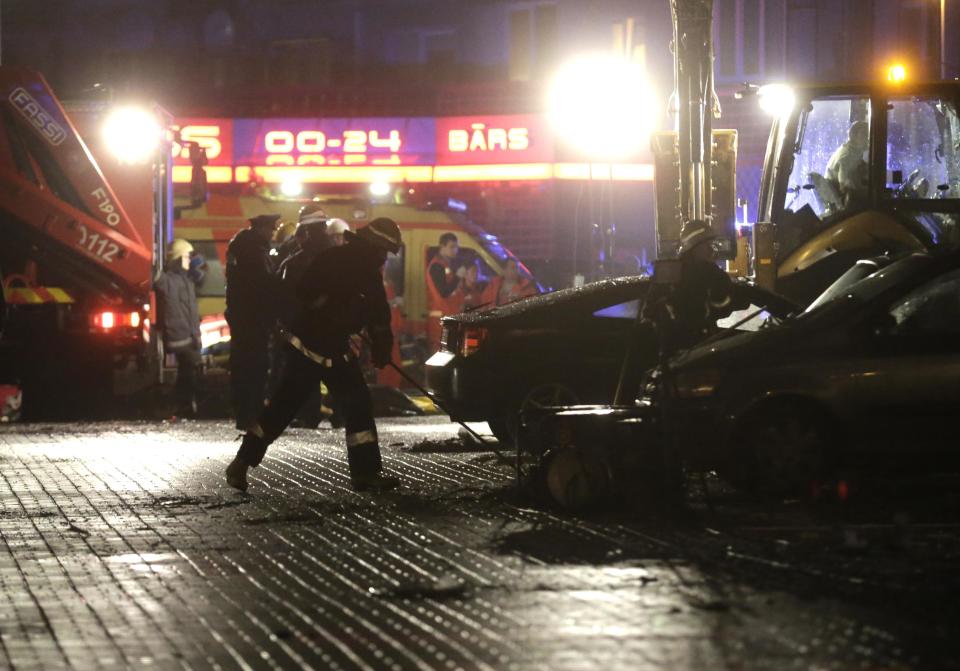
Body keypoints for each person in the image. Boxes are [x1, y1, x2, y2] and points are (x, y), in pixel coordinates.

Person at [225, 218, 403, 493]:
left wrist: (381, 343)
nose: (383, 258)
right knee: (282, 408)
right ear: (373, 245)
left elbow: (378, 312)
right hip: (308, 347)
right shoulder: (335, 260)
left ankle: (366, 473)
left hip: (336, 348)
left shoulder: (366, 269)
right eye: (383, 250)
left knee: (358, 404)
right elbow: (304, 291)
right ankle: (241, 463)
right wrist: (325, 305)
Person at [643, 220, 745, 355]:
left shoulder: (667, 271)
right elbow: (728, 303)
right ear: (695, 247)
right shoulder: (711, 273)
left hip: (670, 355)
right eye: (708, 245)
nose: (711, 250)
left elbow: (648, 312)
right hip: (700, 353)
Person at [225, 213, 283, 430]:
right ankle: (252, 416)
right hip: (253, 319)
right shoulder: (253, 250)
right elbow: (262, 285)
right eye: (271, 229)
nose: (273, 234)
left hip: (244, 318)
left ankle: (246, 414)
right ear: (262, 229)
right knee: (255, 367)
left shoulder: (242, 246)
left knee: (245, 366)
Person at [155, 238, 202, 416]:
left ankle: (185, 404)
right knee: (188, 372)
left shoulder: (186, 281)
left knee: (189, 372)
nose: (190, 260)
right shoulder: (168, 281)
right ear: (177, 259)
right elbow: (155, 277)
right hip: (180, 337)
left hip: (189, 336)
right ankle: (184, 405)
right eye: (187, 257)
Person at [426, 232, 463, 351]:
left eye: (456, 247)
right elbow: (443, 292)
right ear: (442, 246)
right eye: (452, 247)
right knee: (440, 352)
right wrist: (457, 277)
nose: (455, 250)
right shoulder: (437, 266)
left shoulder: (445, 264)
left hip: (447, 317)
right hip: (440, 319)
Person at [825, 120, 869, 209]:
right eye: (864, 134)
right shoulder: (848, 156)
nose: (867, 138)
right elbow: (845, 187)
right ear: (854, 135)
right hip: (844, 205)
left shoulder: (851, 151)